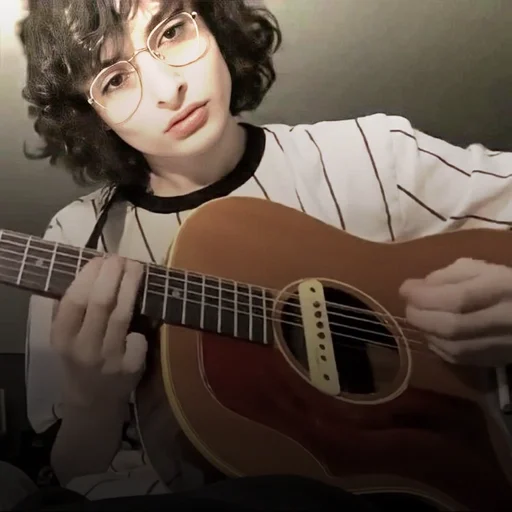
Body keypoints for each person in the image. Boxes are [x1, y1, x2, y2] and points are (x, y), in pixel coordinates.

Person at [16, 0, 512, 508]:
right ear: (91, 115)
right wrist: (90, 403)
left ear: (213, 24)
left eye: (170, 33)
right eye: (115, 80)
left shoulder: (371, 153)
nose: (168, 89)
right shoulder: (77, 239)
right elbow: (72, 472)